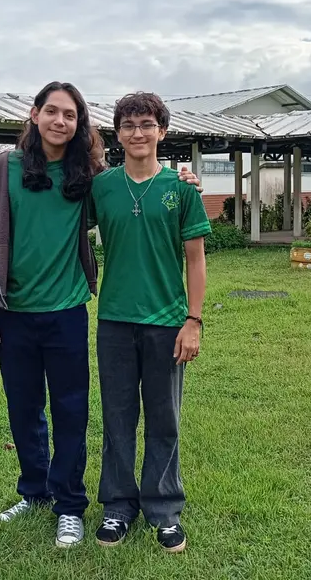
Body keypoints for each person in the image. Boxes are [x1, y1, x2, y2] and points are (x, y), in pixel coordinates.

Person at [0, 81, 201, 549]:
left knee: (100, 412)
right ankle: (62, 497)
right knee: (49, 411)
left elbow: (178, 238)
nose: (60, 121)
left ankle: (108, 506)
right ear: (34, 114)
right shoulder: (24, 174)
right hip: (45, 314)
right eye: (52, 111)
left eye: (70, 114)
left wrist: (185, 180)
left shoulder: (96, 177)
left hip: (87, 313)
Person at [89, 92, 210, 553]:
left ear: (162, 131)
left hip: (167, 322)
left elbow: (195, 260)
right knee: (117, 418)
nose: (137, 133)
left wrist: (193, 320)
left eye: (146, 124)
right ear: (118, 134)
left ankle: (163, 509)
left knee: (164, 419)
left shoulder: (181, 189)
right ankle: (118, 506)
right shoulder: (103, 188)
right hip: (115, 321)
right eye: (128, 125)